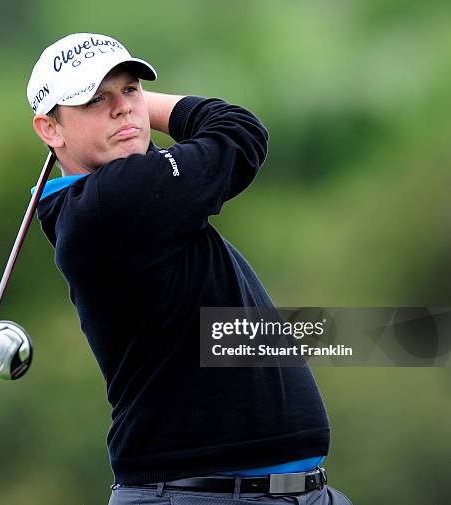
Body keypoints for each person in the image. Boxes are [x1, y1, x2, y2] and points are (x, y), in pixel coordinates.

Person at [27, 33, 352, 504]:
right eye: (95, 99)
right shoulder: (110, 205)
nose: (121, 108)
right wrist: (143, 111)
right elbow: (239, 132)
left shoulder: (125, 194)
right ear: (50, 130)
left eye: (131, 89)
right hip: (200, 495)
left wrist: (123, 116)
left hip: (282, 492)